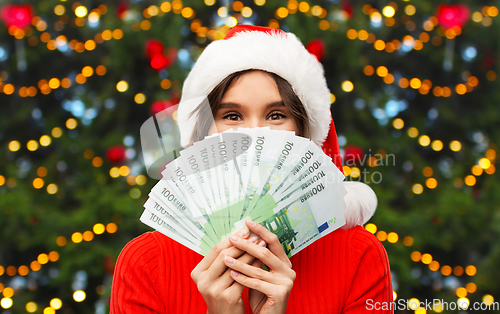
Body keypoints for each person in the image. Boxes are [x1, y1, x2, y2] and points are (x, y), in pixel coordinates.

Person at [111, 25, 393, 313]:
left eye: (276, 115)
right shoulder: (146, 261)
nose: (254, 135)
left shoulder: (358, 255)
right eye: (232, 115)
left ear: (304, 132)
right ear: (202, 135)